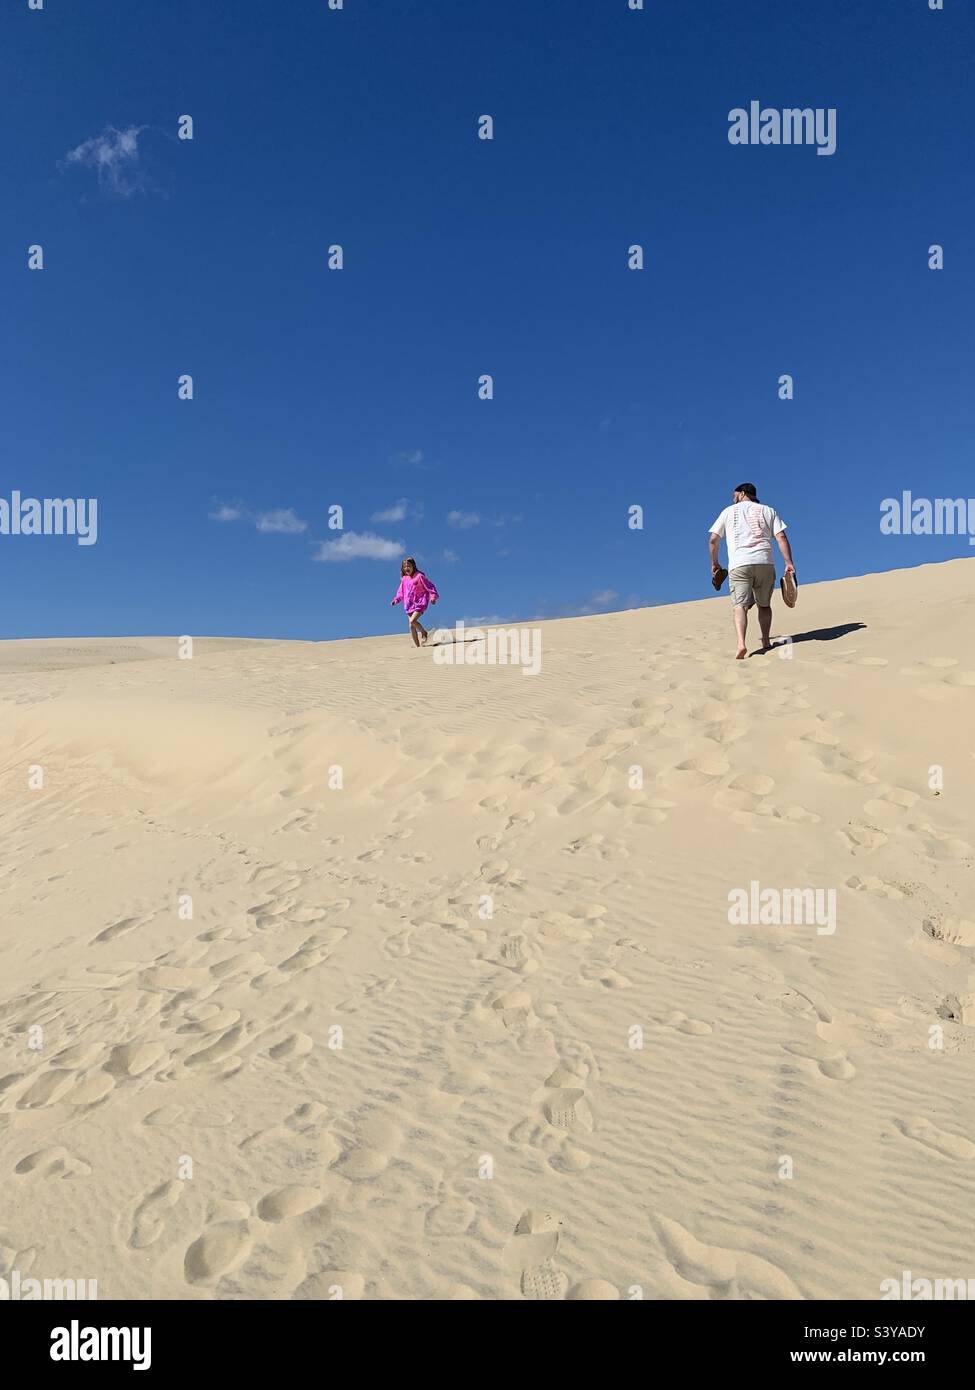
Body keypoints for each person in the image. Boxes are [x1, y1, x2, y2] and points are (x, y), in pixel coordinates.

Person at [708, 483, 795, 659]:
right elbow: (781, 537)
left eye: (734, 495)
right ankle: (765, 640)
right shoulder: (768, 510)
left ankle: (741, 644)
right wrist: (789, 563)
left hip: (739, 565)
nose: (733, 498)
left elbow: (713, 540)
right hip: (765, 562)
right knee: (764, 605)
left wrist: (715, 562)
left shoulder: (727, 512)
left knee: (739, 606)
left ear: (742, 494)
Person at [390, 556, 439, 647]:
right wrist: (396, 600)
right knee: (411, 626)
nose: (406, 568)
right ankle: (418, 647)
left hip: (420, 603)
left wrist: (433, 597)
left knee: (413, 621)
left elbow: (430, 586)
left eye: (408, 566)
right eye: (404, 567)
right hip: (409, 605)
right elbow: (401, 592)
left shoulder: (419, 576)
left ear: (413, 566)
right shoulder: (404, 579)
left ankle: (424, 633)